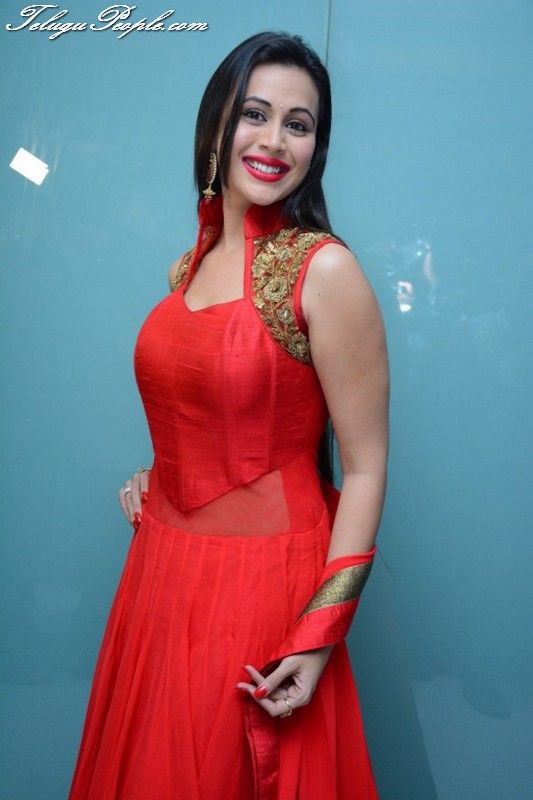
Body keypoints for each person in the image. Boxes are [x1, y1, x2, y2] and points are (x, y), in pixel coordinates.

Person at [68, 30, 389, 800]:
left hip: (262, 584)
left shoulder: (323, 269)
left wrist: (318, 635)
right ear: (216, 124)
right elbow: (207, 409)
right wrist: (159, 474)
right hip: (160, 573)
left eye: (297, 124)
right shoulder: (187, 267)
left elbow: (366, 467)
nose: (274, 139)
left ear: (316, 147)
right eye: (255, 113)